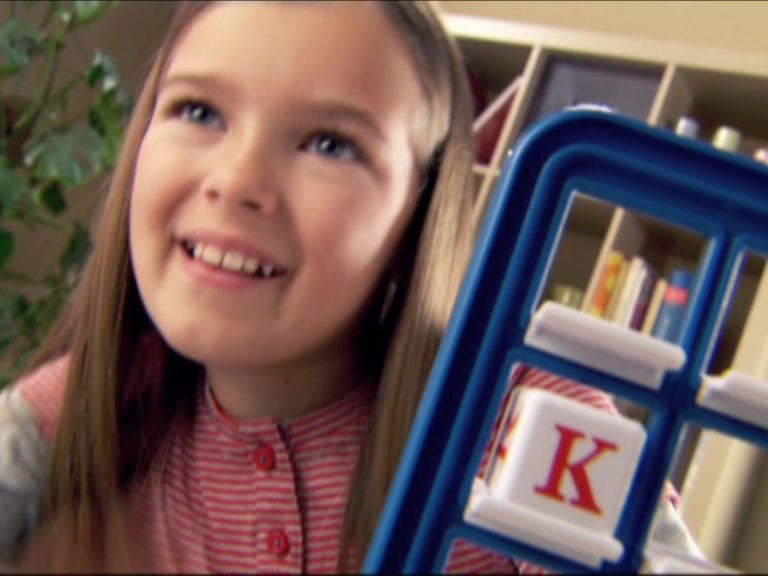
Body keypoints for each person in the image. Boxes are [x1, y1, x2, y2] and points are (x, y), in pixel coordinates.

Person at [0, 1, 701, 573]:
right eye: (199, 112)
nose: (236, 182)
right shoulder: (73, 410)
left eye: (330, 145)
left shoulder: (524, 420)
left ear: (413, 222)